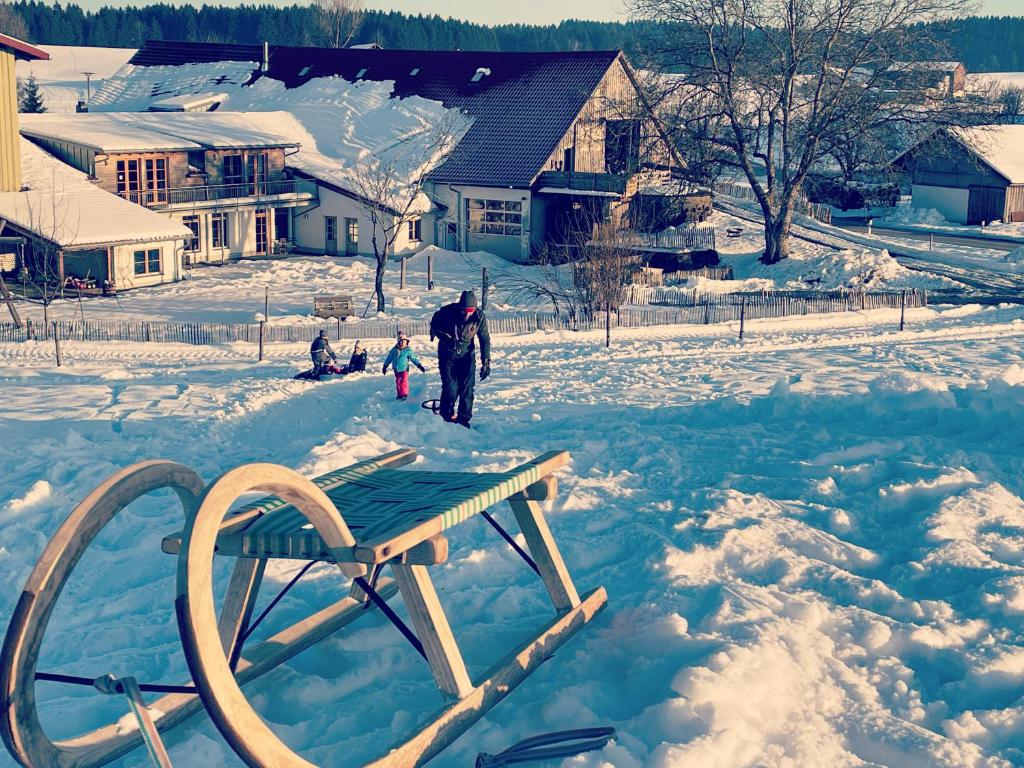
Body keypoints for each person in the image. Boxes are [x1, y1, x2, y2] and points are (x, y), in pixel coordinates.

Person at [430, 290, 490, 427]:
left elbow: (484, 339)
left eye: (471, 311)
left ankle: (463, 419)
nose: (468, 314)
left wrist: (486, 362)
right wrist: (443, 336)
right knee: (450, 389)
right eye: (465, 311)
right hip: (447, 355)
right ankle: (446, 417)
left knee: (467, 389)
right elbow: (434, 325)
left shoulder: (479, 317)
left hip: (467, 356)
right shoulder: (447, 312)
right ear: (460, 306)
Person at [382, 331, 425, 401]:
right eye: (400, 341)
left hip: (404, 369)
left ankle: (404, 394)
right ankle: (400, 394)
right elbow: (389, 358)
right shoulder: (394, 350)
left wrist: (419, 365)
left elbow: (414, 359)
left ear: (406, 342)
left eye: (404, 341)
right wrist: (385, 366)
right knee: (398, 381)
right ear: (398, 342)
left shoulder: (408, 351)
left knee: (403, 381)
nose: (402, 343)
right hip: (396, 369)